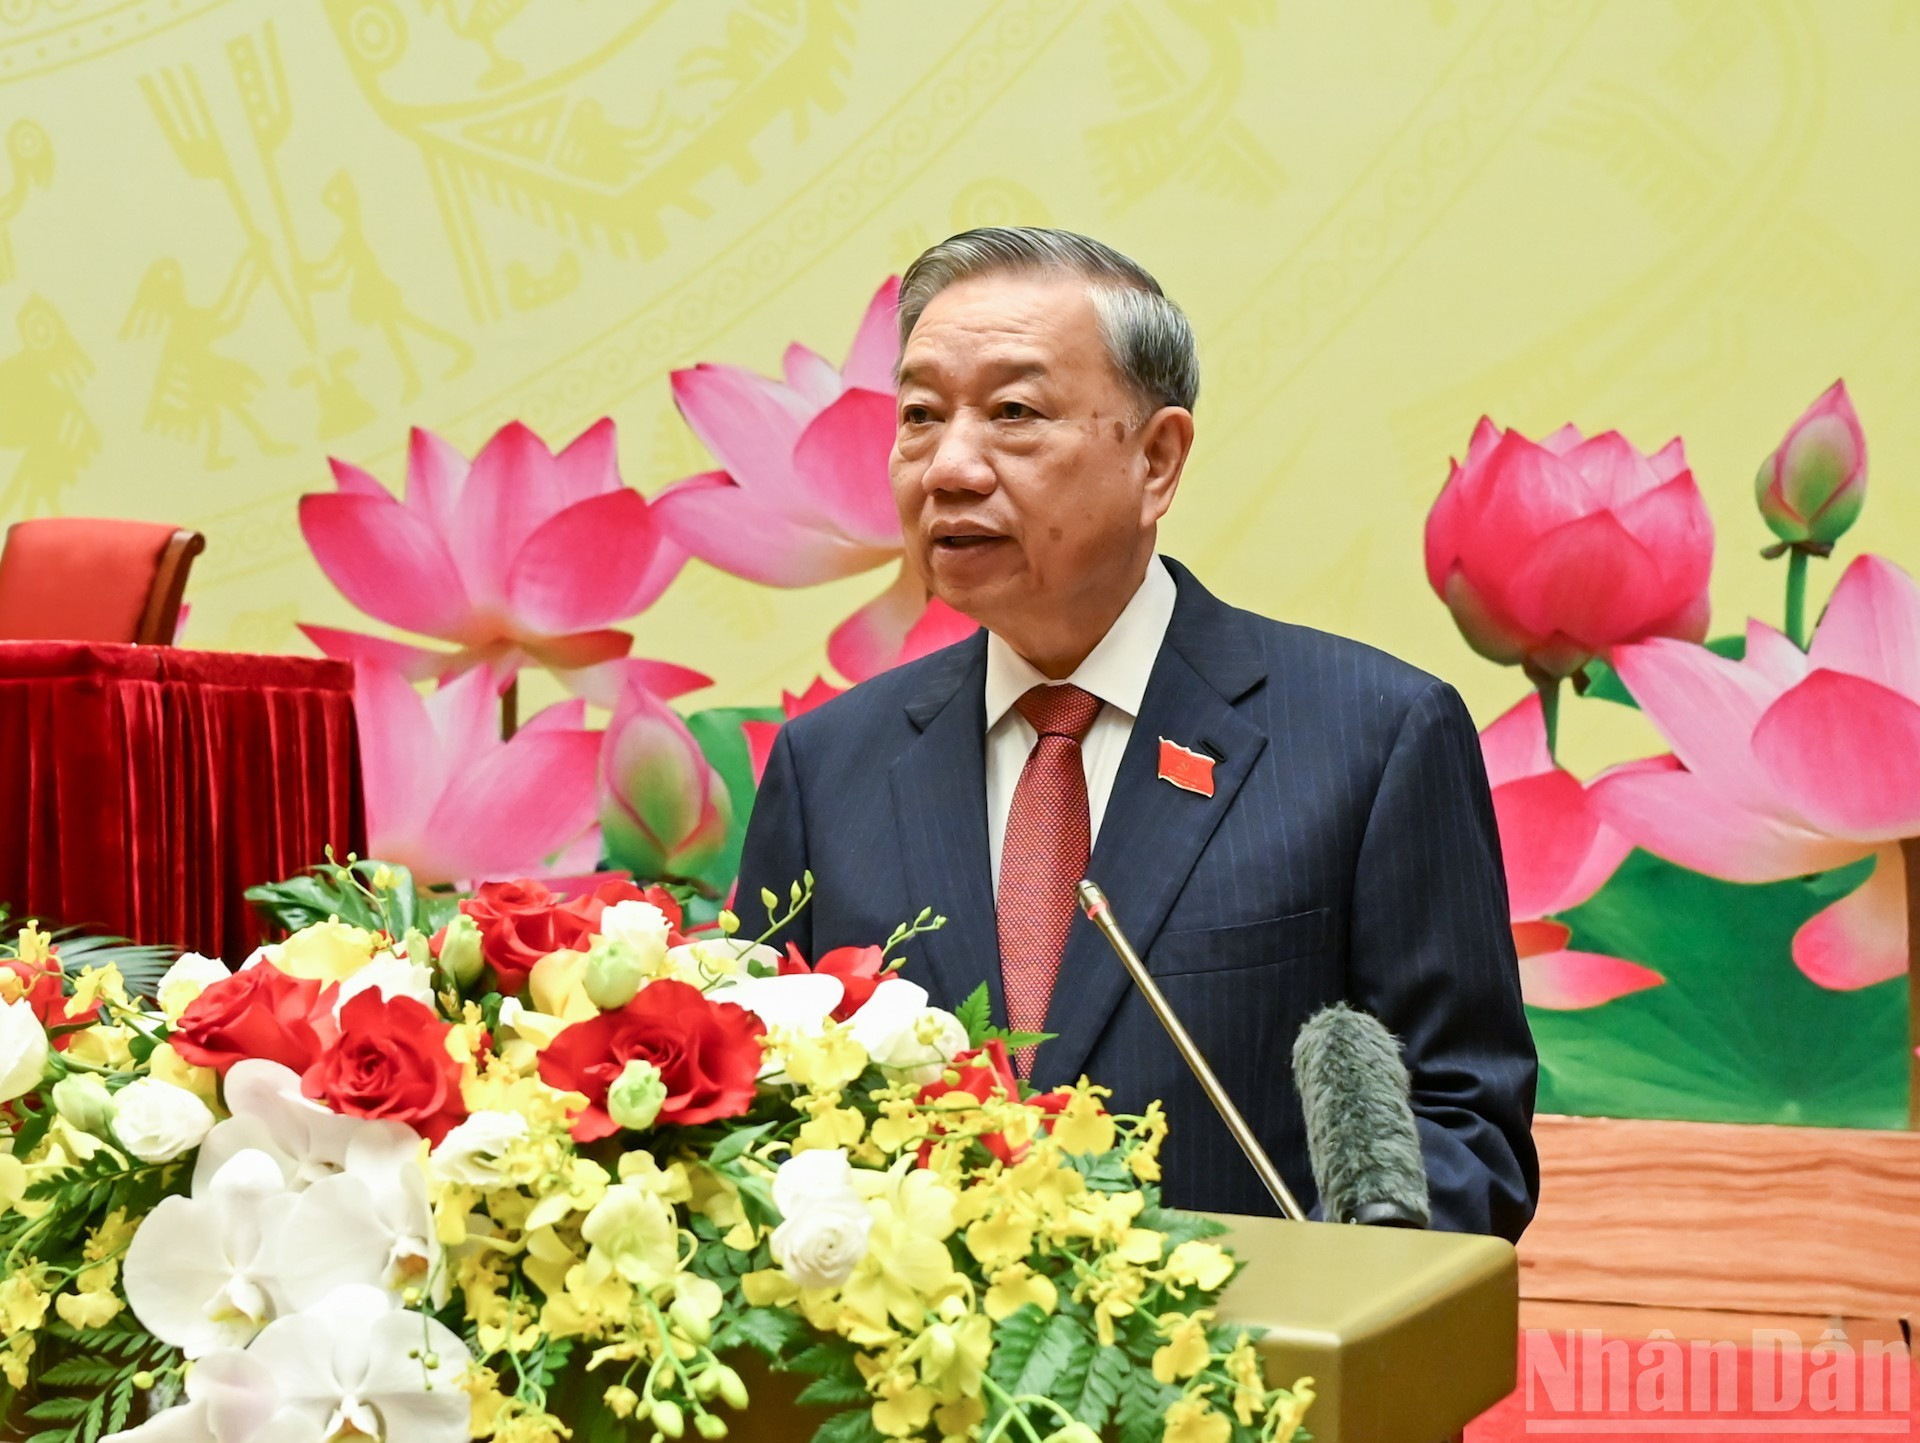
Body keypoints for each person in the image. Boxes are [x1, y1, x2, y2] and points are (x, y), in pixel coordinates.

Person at [737, 227, 1538, 1238]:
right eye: (920, 417)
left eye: (1014, 413)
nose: (948, 467)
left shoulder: (1371, 740)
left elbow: (1463, 1132)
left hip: (1245, 1377)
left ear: (1156, 461)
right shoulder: (829, 766)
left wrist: (1346, 1297)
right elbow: (751, 1108)